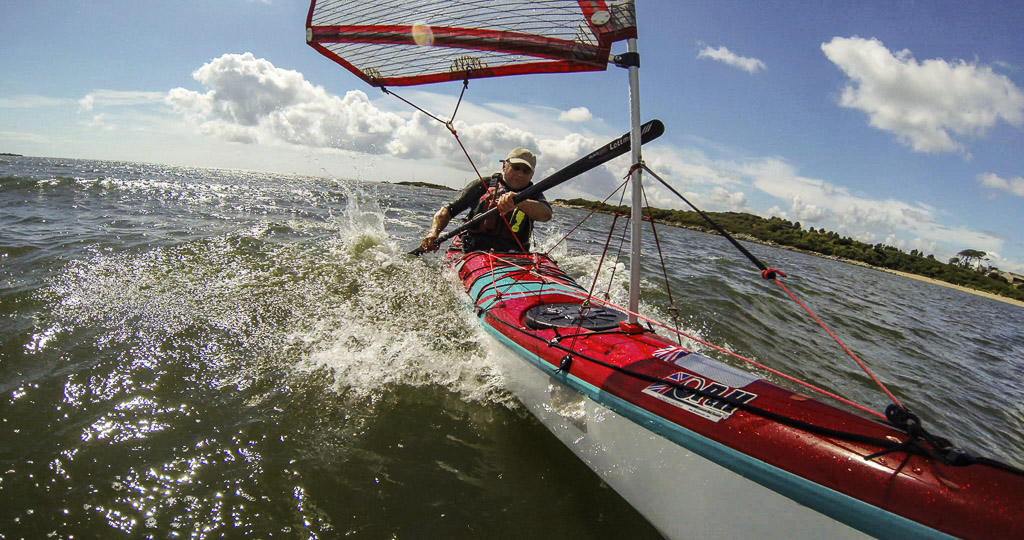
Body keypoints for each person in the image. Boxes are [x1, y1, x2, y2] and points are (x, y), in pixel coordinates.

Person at [419, 147, 552, 253]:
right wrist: (433, 233)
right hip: (474, 247)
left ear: (531, 175)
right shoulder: (483, 185)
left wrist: (519, 201)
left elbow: (546, 215)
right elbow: (447, 211)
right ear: (504, 166)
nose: (520, 174)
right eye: (516, 167)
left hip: (514, 253)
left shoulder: (534, 193)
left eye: (526, 171)